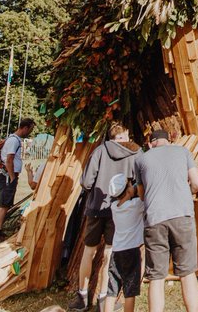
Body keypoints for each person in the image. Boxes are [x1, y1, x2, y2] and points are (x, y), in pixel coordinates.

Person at [71, 124, 140, 311]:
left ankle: (82, 297)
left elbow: (86, 182)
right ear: (125, 135)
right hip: (117, 209)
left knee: (89, 251)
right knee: (109, 253)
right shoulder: (134, 153)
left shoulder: (100, 151)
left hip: (95, 207)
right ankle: (103, 298)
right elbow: (138, 181)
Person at [136, 128, 198, 312]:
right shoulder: (183, 152)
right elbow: (197, 183)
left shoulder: (142, 158)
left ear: (151, 143)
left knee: (156, 277)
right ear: (169, 141)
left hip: (155, 219)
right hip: (182, 216)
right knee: (188, 272)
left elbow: (141, 195)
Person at [103, 173, 145, 312]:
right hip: (131, 252)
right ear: (128, 190)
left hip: (117, 252)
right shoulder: (136, 205)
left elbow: (126, 196)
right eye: (129, 184)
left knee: (112, 288)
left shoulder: (114, 207)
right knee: (130, 289)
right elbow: (143, 196)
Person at [0, 118, 35, 242]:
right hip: (7, 176)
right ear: (25, 128)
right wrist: (11, 177)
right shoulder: (14, 141)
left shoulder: (12, 139)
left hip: (5, 175)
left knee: (1, 204)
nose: (30, 132)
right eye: (30, 129)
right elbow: (9, 159)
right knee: (4, 205)